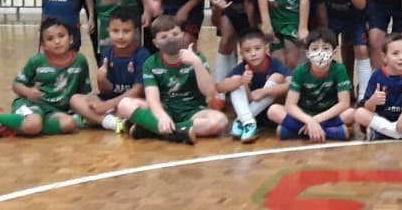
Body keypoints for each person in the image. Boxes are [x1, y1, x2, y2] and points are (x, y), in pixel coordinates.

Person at [0, 18, 90, 139]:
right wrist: (28, 92)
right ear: (43, 46)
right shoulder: (36, 61)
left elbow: (84, 92)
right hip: (31, 103)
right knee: (34, 123)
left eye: (61, 36)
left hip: (55, 110)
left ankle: (18, 127)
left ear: (71, 39)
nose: (57, 41)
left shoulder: (80, 61)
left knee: (70, 124)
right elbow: (16, 84)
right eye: (50, 39)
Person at [115, 15, 229, 143]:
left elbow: (210, 92)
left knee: (220, 121)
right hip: (165, 108)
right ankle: (178, 132)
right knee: (124, 105)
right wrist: (161, 116)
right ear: (155, 43)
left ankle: (153, 129)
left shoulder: (197, 57)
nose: (171, 39)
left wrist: (196, 64)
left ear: (182, 35)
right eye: (164, 37)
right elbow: (152, 98)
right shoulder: (150, 63)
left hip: (193, 111)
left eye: (175, 34)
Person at [266, 28, 356, 142]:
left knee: (351, 114)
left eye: (326, 48)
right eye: (314, 49)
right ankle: (330, 132)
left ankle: (298, 132)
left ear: (334, 52)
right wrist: (309, 121)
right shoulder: (300, 71)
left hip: (328, 115)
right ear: (308, 53)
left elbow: (344, 104)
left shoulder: (339, 69)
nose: (320, 52)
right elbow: (290, 105)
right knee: (273, 110)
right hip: (303, 115)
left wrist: (316, 120)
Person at [70, 7, 150, 130]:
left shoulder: (142, 55)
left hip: (130, 102)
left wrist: (106, 106)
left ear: (135, 31)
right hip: (111, 101)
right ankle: (111, 122)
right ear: (108, 30)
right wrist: (101, 80)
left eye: (126, 31)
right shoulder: (107, 52)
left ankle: (94, 119)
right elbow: (107, 91)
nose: (120, 36)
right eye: (115, 31)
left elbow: (137, 91)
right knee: (75, 100)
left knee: (134, 107)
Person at [312, 0, 370, 97]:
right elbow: (321, 7)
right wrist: (327, 35)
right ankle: (333, 90)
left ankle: (365, 94)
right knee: (325, 50)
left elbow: (361, 4)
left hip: (355, 18)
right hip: (333, 19)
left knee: (362, 49)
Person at [217, 29, 291, 143]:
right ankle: (248, 122)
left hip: (269, 112)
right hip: (248, 108)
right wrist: (241, 81)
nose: (253, 53)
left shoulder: (275, 63)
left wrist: (264, 92)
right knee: (236, 80)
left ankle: (241, 121)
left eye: (257, 49)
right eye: (247, 50)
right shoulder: (242, 67)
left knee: (277, 77)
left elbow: (291, 84)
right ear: (241, 53)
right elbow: (219, 87)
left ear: (266, 48)